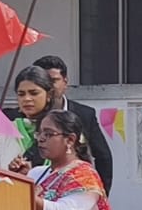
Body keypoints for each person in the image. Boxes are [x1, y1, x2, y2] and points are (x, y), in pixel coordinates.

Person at [34, 55, 115, 194]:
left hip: (74, 192)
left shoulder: (84, 114)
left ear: (65, 82)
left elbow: (103, 157)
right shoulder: (20, 117)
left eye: (53, 80)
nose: (48, 87)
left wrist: (99, 194)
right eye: (42, 82)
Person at [4, 66, 55, 166]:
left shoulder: (63, 130)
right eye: (21, 94)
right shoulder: (10, 129)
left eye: (34, 93)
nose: (27, 98)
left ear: (49, 95)